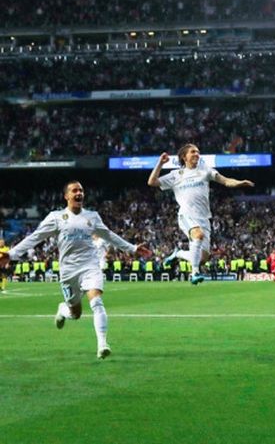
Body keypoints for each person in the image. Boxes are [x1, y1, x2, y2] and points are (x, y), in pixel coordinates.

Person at [0, 181, 151, 359]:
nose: (79, 193)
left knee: (97, 302)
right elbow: (35, 237)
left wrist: (132, 248)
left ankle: (102, 344)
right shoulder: (56, 217)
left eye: (81, 190)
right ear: (66, 196)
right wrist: (12, 254)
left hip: (90, 266)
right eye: (74, 190)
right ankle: (63, 310)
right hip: (68, 271)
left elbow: (108, 235)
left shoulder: (92, 216)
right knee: (75, 313)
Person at [147, 144, 254, 285]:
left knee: (203, 258)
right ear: (184, 157)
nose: (197, 154)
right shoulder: (176, 175)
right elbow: (152, 182)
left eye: (198, 152)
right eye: (193, 152)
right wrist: (160, 163)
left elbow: (226, 181)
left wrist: (240, 183)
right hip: (186, 215)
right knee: (198, 235)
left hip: (204, 218)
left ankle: (178, 253)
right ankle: (195, 273)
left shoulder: (205, 171)